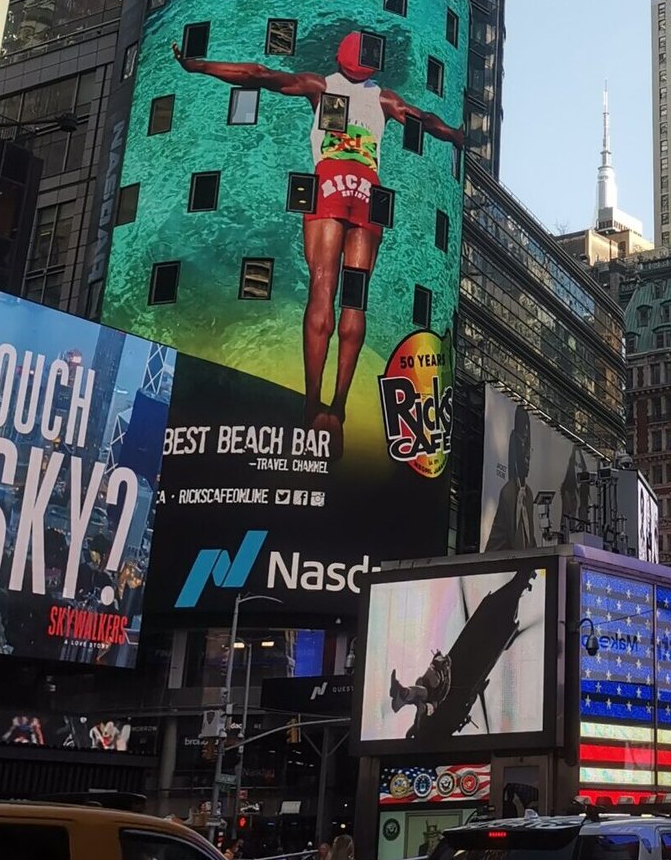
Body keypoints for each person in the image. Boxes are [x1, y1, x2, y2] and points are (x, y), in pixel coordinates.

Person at [172, 34, 463, 452]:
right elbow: (426, 119)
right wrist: (455, 134)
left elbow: (258, 74)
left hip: (331, 184)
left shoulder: (320, 87)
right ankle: (339, 409)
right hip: (369, 192)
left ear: (338, 56)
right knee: (355, 299)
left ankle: (311, 407)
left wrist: (197, 65)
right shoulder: (384, 99)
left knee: (322, 287)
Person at [484, 407, 536, 550]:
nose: (527, 455)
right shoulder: (508, 493)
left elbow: (529, 539)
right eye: (524, 443)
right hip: (501, 567)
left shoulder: (528, 494)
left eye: (529, 446)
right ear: (515, 443)